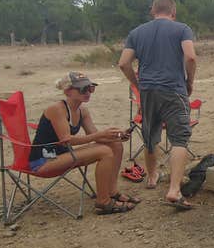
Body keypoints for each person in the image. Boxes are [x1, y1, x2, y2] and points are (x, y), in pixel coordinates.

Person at [118, 0, 197, 210]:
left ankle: (152, 178)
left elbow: (123, 63)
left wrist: (138, 84)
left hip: (148, 92)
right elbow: (190, 57)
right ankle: (174, 190)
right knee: (179, 138)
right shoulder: (182, 29)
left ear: (153, 11)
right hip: (174, 90)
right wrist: (189, 82)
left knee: (150, 135)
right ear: (173, 12)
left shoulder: (136, 33)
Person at [29, 72, 139, 214]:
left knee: (115, 145)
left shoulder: (82, 111)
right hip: (43, 161)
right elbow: (67, 140)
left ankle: (112, 191)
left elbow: (96, 137)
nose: (88, 92)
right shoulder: (57, 109)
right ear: (67, 91)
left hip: (63, 155)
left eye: (90, 88)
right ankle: (103, 202)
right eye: (82, 89)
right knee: (104, 152)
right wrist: (101, 134)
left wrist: (116, 137)